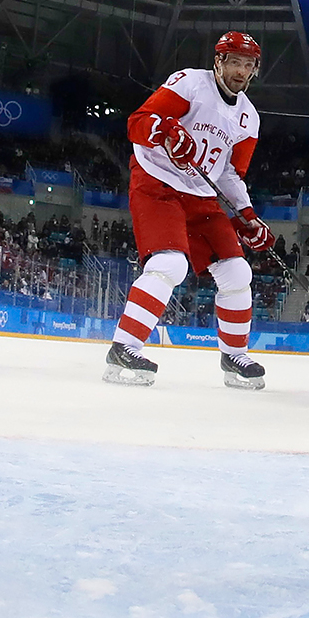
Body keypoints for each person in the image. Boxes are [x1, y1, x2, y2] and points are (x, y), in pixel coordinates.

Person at [102, 31, 273, 389]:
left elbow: (228, 172)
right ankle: (124, 347)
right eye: (234, 62)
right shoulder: (191, 83)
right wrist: (165, 131)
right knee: (169, 263)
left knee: (237, 273)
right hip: (157, 182)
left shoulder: (248, 119)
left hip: (200, 197)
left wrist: (247, 214)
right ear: (219, 61)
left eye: (248, 65)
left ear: (255, 70)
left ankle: (234, 356)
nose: (240, 71)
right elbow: (138, 123)